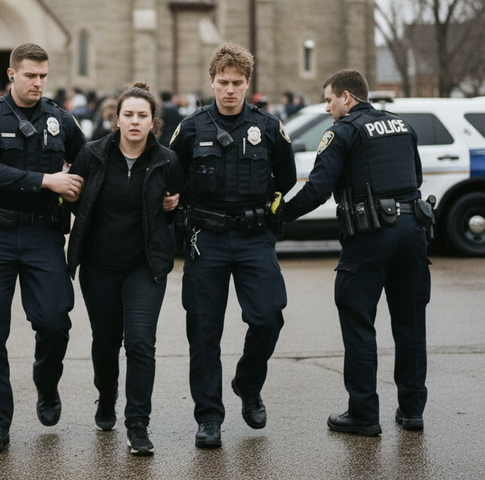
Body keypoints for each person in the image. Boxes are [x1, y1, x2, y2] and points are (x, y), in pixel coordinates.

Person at [283, 70, 430, 436]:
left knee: (359, 321)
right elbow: (415, 177)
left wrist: (279, 216)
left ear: (347, 97)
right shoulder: (401, 125)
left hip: (370, 235)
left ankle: (364, 414)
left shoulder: (342, 131)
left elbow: (318, 189)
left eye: (329, 100)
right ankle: (412, 411)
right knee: (411, 325)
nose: (327, 108)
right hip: (413, 231)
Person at [168, 42, 297, 448]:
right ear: (211, 81)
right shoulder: (191, 128)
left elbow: (286, 178)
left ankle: (248, 383)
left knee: (268, 317)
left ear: (247, 83)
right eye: (223, 82)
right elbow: (171, 177)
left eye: (237, 83)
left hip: (254, 238)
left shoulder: (269, 127)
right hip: (206, 238)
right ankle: (209, 417)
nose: (229, 90)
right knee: (204, 331)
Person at [0, 43, 86, 454]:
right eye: (30, 75)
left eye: (43, 76)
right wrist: (48, 181)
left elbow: (89, 161)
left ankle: (46, 383)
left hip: (42, 235)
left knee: (54, 320)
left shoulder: (60, 119)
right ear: (12, 74)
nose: (38, 83)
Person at [65, 83, 184, 456]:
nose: (135, 121)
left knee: (140, 342)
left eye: (142, 115)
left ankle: (137, 425)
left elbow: (177, 208)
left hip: (144, 267)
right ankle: (106, 397)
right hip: (99, 266)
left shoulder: (167, 160)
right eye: (128, 114)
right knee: (105, 343)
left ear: (153, 121)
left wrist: (174, 206)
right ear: (116, 119)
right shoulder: (92, 155)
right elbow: (77, 202)